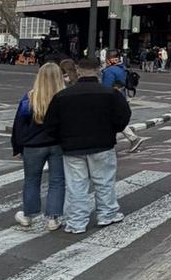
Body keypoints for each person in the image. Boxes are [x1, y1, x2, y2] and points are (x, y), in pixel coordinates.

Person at [42, 58, 131, 234]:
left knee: (76, 186)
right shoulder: (110, 94)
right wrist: (111, 130)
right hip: (102, 144)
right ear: (98, 71)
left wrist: (63, 138)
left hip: (72, 147)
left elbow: (50, 124)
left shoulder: (62, 96)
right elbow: (123, 117)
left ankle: (76, 222)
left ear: (78, 71)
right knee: (104, 182)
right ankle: (107, 214)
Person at [11, 62, 66, 231]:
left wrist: (17, 148)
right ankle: (53, 218)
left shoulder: (30, 97)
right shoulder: (65, 97)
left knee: (31, 181)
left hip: (32, 145)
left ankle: (28, 215)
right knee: (57, 181)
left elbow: (19, 125)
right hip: (58, 144)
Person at [101, 52, 145, 154]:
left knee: (112, 120)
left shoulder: (109, 71)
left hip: (112, 99)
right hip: (122, 97)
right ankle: (133, 139)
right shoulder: (123, 68)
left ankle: (133, 138)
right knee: (116, 120)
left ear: (109, 59)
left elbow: (106, 87)